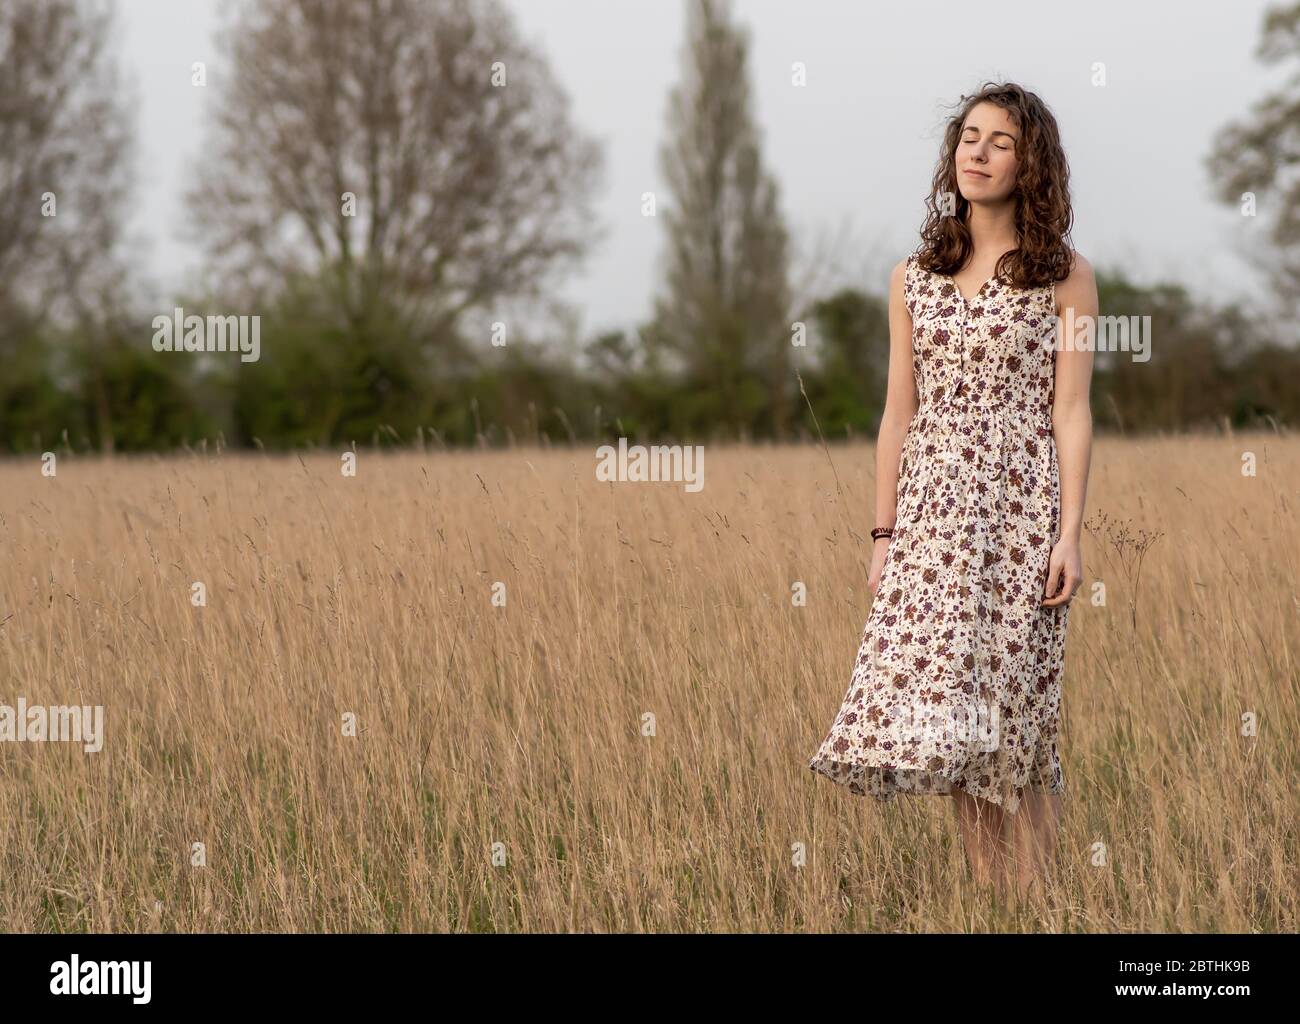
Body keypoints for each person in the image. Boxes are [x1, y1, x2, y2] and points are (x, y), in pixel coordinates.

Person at [808, 82, 1098, 898]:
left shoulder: (1065, 278)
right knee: (955, 724)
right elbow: (896, 416)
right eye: (968, 137)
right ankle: (990, 902)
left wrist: (1069, 534)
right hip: (931, 526)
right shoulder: (912, 277)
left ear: (1029, 161)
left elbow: (1071, 413)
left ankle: (1035, 902)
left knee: (1018, 723)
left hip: (1021, 519)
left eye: (999, 141)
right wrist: (883, 538)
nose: (976, 151)